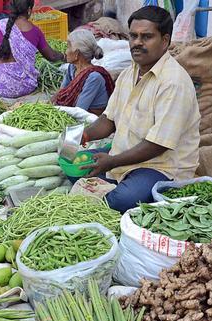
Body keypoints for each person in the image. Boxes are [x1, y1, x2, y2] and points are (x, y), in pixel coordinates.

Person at [74, 6, 200, 214]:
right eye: (133, 36)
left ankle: (116, 193)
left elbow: (158, 144)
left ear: (165, 40)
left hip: (161, 167)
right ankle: (113, 185)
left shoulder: (174, 82)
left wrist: (112, 161)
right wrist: (83, 135)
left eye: (146, 36)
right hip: (125, 155)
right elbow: (109, 119)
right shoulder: (127, 74)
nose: (137, 43)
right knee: (75, 167)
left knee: (120, 201)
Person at [0, 0, 64, 99]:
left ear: (11, 8)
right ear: (29, 10)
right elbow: (52, 56)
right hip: (27, 86)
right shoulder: (36, 31)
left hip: (0, 86)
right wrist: (64, 56)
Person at [54, 29, 115, 115]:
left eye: (68, 46)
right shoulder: (72, 68)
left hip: (91, 118)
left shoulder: (93, 77)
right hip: (76, 111)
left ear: (77, 54)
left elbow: (79, 110)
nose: (65, 51)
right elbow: (61, 92)